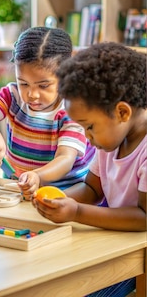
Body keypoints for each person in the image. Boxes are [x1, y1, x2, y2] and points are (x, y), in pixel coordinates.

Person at [33, 42, 146, 297]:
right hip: (114, 238)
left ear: (122, 112)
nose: (87, 137)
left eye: (89, 126)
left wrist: (77, 212)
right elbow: (92, 188)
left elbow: (144, 217)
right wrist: (55, 198)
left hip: (137, 252)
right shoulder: (112, 139)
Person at [0, 26, 95, 199]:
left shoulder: (71, 110)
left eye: (43, 86)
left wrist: (38, 176)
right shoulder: (12, 96)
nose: (32, 94)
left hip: (61, 195)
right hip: (18, 190)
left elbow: (65, 159)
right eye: (23, 83)